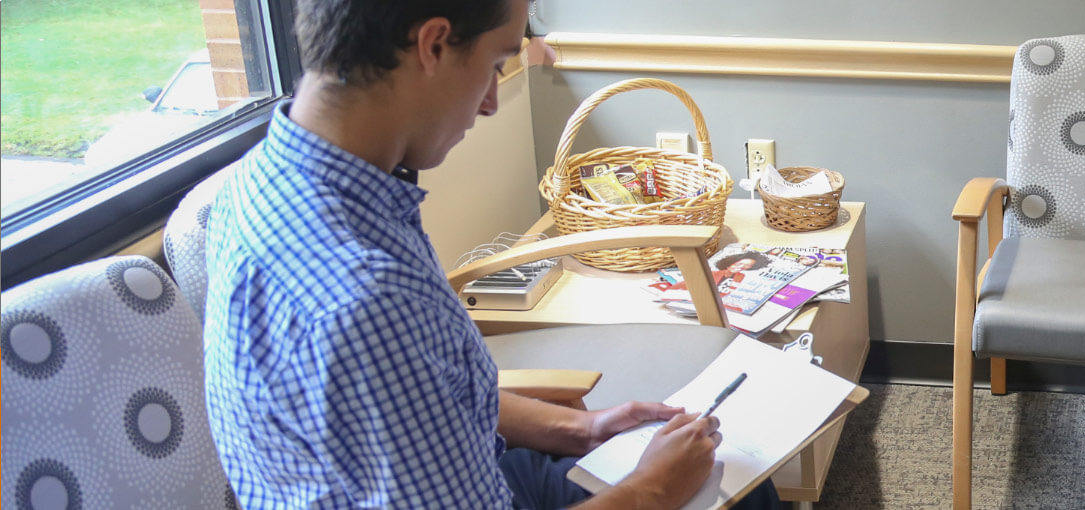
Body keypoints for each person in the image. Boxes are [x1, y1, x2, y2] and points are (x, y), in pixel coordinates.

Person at [199, 0, 779, 508]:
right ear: (433, 44)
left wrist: (583, 428)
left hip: (461, 472)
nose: (491, 104)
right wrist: (650, 492)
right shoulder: (366, 299)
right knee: (732, 489)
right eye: (497, 64)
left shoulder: (255, 187)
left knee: (729, 476)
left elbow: (425, 401)